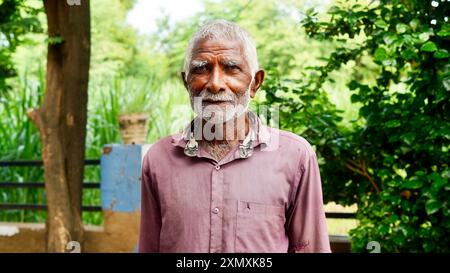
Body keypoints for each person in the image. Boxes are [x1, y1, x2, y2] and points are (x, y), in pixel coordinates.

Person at [139, 19, 330, 253]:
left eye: (231, 68)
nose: (215, 84)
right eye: (201, 68)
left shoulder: (296, 156)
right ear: (186, 82)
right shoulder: (158, 159)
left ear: (254, 83)